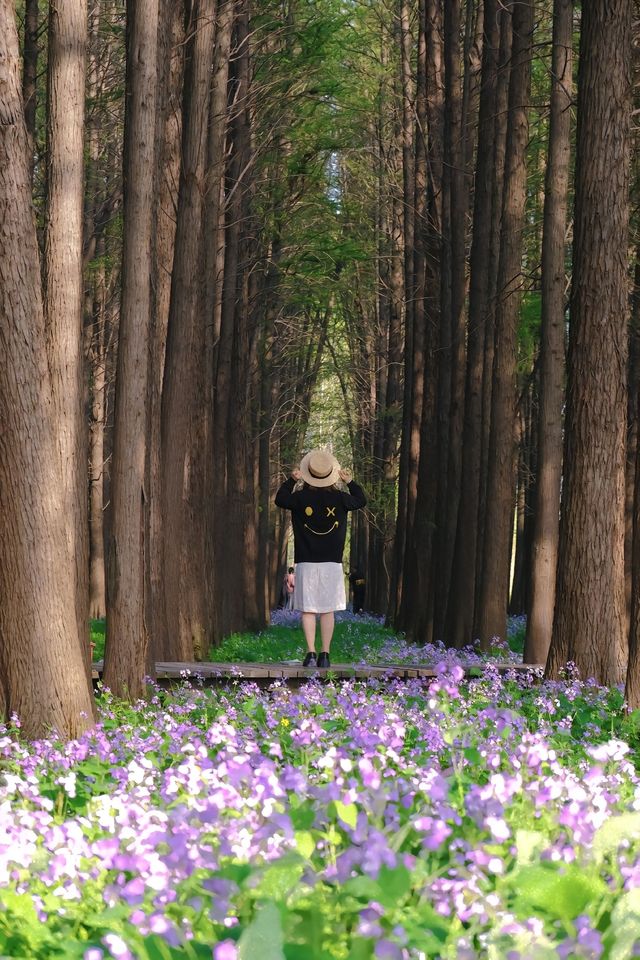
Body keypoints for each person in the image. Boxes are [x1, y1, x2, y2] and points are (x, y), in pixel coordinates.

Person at [275, 448, 367, 668]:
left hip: (306, 561)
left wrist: (291, 481)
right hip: (332, 563)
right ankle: (325, 655)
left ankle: (311, 653)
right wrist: (350, 482)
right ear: (331, 474)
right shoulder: (341, 499)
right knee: (327, 610)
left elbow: (280, 499)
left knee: (308, 609)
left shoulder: (299, 498)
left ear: (308, 474)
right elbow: (360, 500)